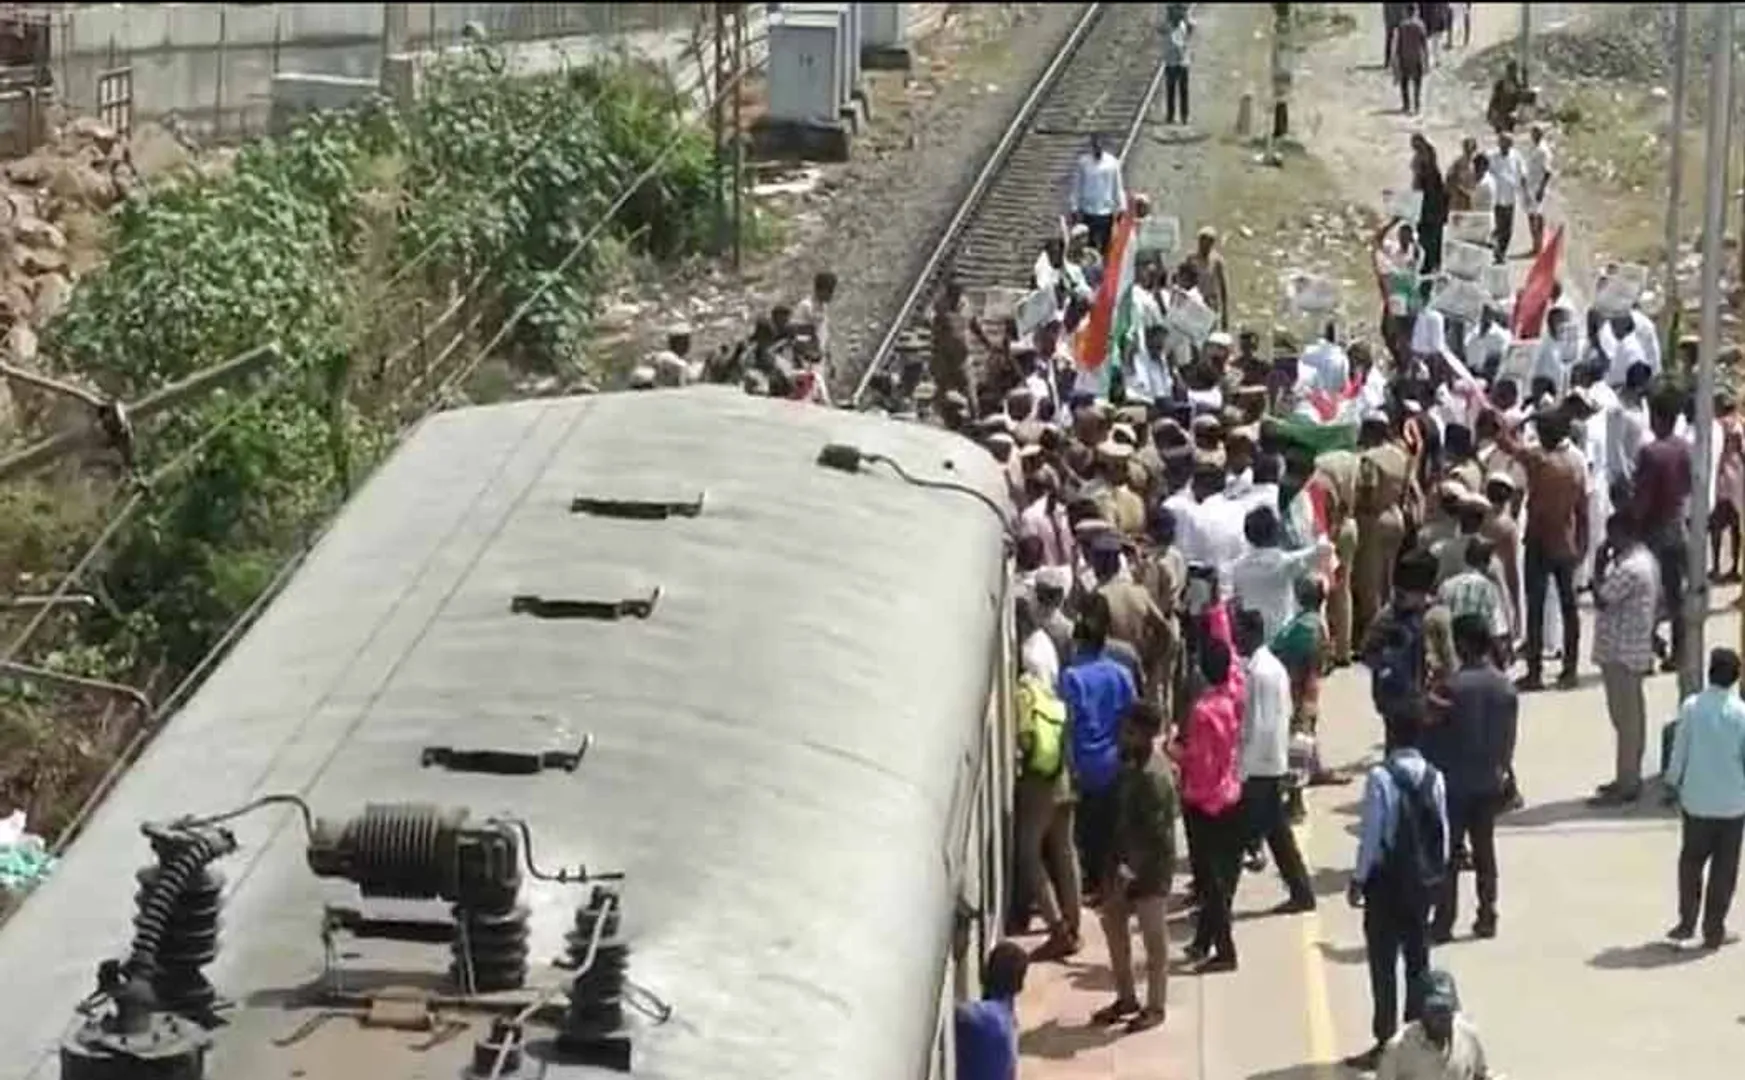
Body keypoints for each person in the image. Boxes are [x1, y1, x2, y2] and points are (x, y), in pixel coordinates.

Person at [1344, 717, 1450, 1072]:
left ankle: (1385, 1042)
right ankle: (1416, 1040)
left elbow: (1372, 835)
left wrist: (1359, 878)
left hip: (1386, 884)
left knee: (1383, 964)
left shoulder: (1381, 778)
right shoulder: (1435, 777)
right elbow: (1444, 835)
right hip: (1422, 884)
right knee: (1418, 962)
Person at [1424, 613, 1516, 943]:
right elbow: (1508, 740)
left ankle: (1444, 920)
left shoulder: (1452, 686)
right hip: (1488, 780)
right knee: (1485, 851)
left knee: (1449, 855)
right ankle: (1487, 913)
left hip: (1454, 782)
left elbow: (1430, 725)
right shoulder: (1504, 685)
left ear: (1461, 644)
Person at [1092, 700, 1178, 1032]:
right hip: (1126, 867)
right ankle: (1126, 997)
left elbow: (1156, 836)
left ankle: (1155, 1007)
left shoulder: (1153, 776)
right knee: (1114, 927)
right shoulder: (1132, 765)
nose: (1122, 736)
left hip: (1150, 873)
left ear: (1144, 734)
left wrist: (1134, 873)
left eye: (1129, 731)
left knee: (1154, 941)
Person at [1174, 598, 1245, 972]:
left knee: (1211, 885)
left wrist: (1174, 753)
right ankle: (1208, 942)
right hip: (1231, 793)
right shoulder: (1233, 697)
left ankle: (1224, 949)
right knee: (1220, 879)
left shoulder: (1203, 711)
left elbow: (1198, 762)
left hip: (1207, 803)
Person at [1494, 409, 1588, 690]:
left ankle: (1534, 672)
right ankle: (1569, 669)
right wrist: (1582, 543)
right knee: (1569, 608)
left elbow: (1504, 441)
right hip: (1565, 540)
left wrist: (1525, 419)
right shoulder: (1575, 462)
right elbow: (1582, 507)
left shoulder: (1538, 459)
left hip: (1538, 540)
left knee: (1535, 607)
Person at [1235, 607, 1318, 914]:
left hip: (1260, 767)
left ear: (1252, 634)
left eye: (1239, 631)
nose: (1235, 638)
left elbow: (1261, 726)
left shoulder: (1260, 672)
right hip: (1268, 763)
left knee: (1234, 840)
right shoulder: (1267, 667)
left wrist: (1242, 769)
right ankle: (1301, 892)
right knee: (1277, 833)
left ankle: (1213, 910)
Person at [1663, 647, 1745, 950]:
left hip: (1696, 802)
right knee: (1724, 871)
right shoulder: (1741, 714)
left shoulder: (1691, 707)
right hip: (1732, 806)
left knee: (1691, 862)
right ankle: (1714, 930)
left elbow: (1679, 752)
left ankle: (1686, 922)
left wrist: (1671, 785)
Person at [1060, 592, 1139, 905]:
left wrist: (1069, 767)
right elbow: (1130, 716)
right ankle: (1110, 883)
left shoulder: (1071, 677)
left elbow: (1066, 726)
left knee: (1086, 830)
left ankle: (1093, 883)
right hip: (1114, 760)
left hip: (1083, 761)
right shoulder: (1120, 673)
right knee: (1110, 828)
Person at [1589, 512, 1661, 806]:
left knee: (1626, 722)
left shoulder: (1630, 568)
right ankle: (1628, 777)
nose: (1610, 542)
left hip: (1621, 653)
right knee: (1631, 721)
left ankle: (1627, 784)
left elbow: (1602, 598)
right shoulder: (1646, 560)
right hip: (1630, 648)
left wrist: (1598, 566)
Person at [1364, 550, 1456, 754]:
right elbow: (1369, 654)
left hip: (1410, 701)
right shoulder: (1431, 616)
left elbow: (1448, 660)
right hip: (1406, 702)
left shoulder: (1395, 615)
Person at [1631, 387, 1693, 675]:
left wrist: (1632, 525)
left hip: (1653, 531)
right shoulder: (1683, 448)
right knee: (1675, 596)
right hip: (1677, 525)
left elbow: (1643, 497)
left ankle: (1645, 655)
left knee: (1646, 597)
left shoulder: (1650, 453)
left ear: (1657, 417)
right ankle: (1679, 653)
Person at [1375, 969, 1492, 1080]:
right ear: (1422, 1012)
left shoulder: (1467, 1034)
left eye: (1446, 1010)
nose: (1442, 1018)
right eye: (1434, 1011)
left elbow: (1481, 1073)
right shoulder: (1399, 1049)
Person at [954, 941, 1028, 1080]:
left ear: (983, 974)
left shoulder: (982, 1016)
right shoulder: (1010, 1024)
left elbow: (951, 1011)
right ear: (1019, 986)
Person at [1070, 133, 1126, 254]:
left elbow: (1118, 186)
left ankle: (1102, 267)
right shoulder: (1083, 163)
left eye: (1100, 145)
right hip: (1088, 211)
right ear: (1092, 146)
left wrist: (1122, 206)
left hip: (1105, 211)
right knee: (1088, 246)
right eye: (1095, 145)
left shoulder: (1112, 163)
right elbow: (1077, 185)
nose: (1097, 148)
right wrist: (1074, 207)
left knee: (1106, 245)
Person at [1487, 132, 1526, 263]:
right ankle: (1497, 252)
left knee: (1508, 229)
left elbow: (1522, 173)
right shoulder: (1492, 156)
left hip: (1510, 197)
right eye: (1503, 143)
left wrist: (1524, 192)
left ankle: (1501, 251)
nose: (1505, 146)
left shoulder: (1516, 156)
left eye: (1508, 144)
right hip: (1496, 197)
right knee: (1498, 226)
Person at [1520, 124, 1555, 256]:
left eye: (1536, 133)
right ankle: (1535, 244)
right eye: (1533, 133)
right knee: (1530, 215)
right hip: (1529, 185)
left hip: (1537, 186)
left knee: (1538, 216)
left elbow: (1548, 172)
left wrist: (1541, 188)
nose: (1534, 135)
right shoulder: (1532, 148)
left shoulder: (1543, 151)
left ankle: (1539, 245)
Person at [1393, 5, 1429, 116]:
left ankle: (1406, 105)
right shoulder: (1420, 25)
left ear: (1406, 12)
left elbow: (1398, 45)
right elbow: (1424, 45)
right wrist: (1426, 61)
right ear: (1415, 11)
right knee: (1417, 84)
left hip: (1405, 58)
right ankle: (1417, 105)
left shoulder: (1402, 26)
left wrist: (1396, 61)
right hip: (1417, 57)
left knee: (1404, 83)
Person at [1161, 6, 1193, 126]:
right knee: (1171, 91)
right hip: (1172, 62)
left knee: (1183, 91)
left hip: (1182, 62)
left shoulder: (1183, 25)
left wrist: (1187, 18)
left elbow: (1193, 25)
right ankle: (1171, 115)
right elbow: (1158, 27)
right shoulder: (1168, 26)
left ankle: (1184, 116)